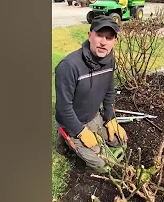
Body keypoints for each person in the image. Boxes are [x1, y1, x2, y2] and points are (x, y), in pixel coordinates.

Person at [54, 16, 128, 173]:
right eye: (99, 35)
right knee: (103, 165)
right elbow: (63, 108)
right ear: (90, 36)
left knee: (121, 142)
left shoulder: (109, 61)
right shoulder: (69, 67)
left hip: (93, 116)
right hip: (72, 121)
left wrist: (110, 118)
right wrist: (81, 132)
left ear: (114, 40)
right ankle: (65, 139)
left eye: (109, 38)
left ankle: (84, 137)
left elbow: (109, 91)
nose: (103, 42)